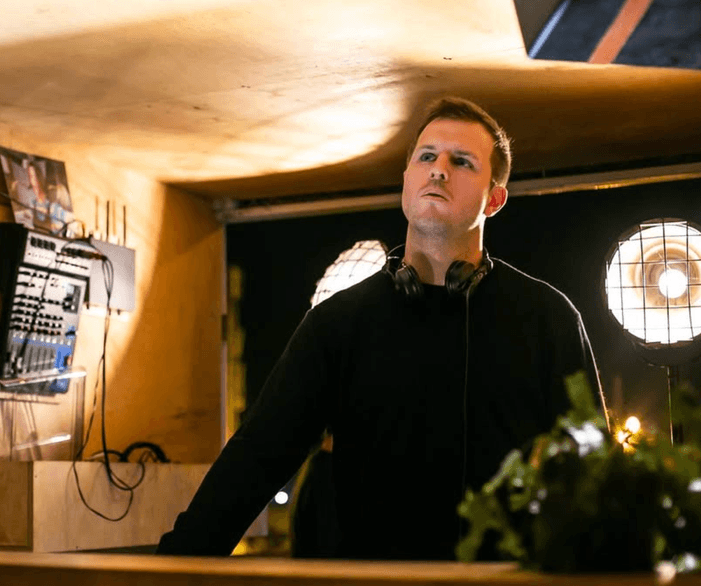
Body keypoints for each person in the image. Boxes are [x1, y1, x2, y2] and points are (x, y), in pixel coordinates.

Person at [156, 96, 607, 560]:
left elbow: (593, 471)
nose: (438, 170)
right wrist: (170, 567)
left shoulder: (546, 317)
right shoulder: (337, 322)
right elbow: (258, 456)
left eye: (462, 162)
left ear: (494, 199)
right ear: (406, 178)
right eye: (427, 157)